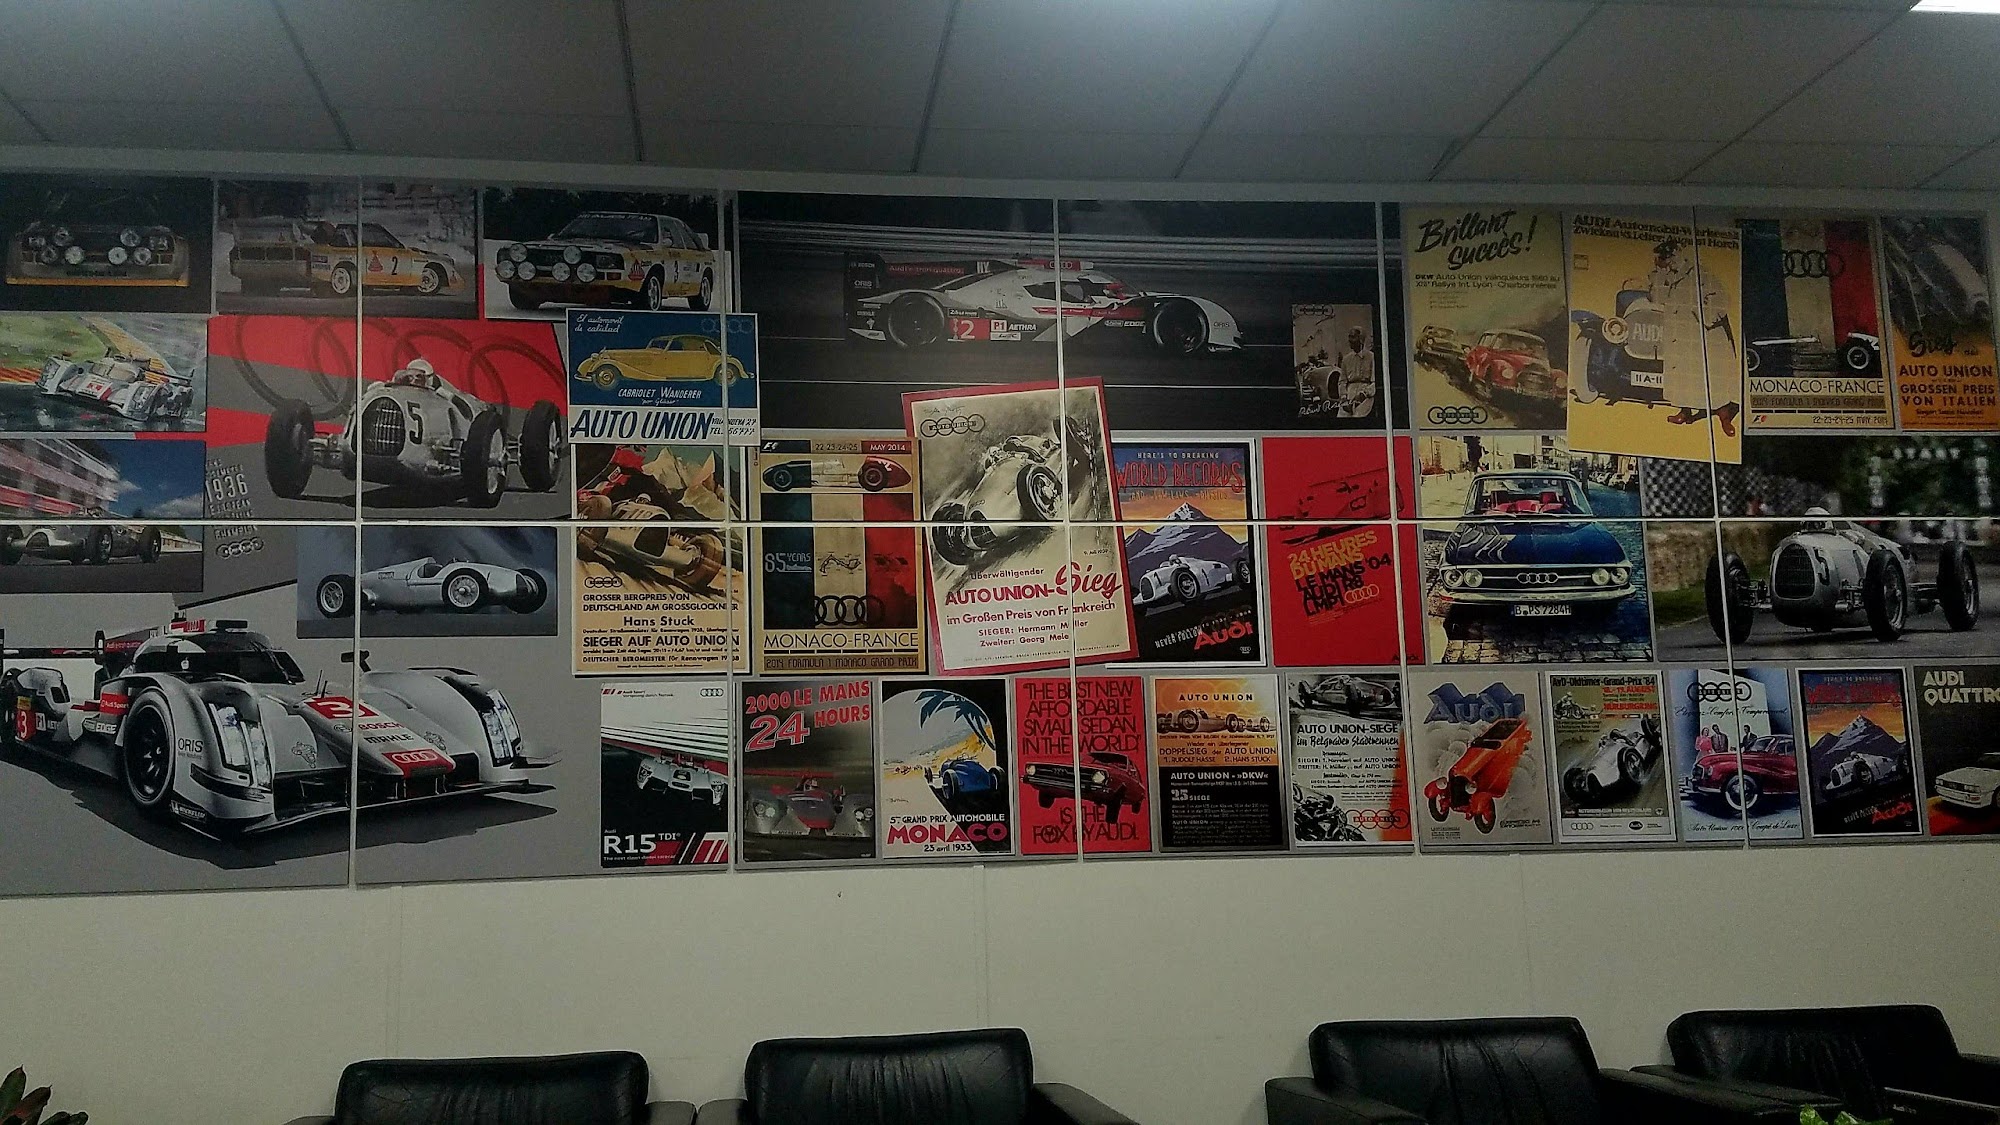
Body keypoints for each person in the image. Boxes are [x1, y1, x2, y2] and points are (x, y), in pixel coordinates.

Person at [1634, 239, 1742, 435]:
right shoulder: (1666, 275)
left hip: (1705, 335)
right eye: (1664, 259)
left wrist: (1701, 315)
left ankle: (1724, 417)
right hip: (1680, 336)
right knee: (1683, 376)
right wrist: (1658, 273)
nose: (1668, 262)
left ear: (1678, 254)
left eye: (1669, 258)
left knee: (1711, 379)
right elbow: (1657, 299)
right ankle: (1685, 411)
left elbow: (1721, 299)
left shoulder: (1700, 273)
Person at [1336, 326, 1377, 419]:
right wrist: (1343, 397)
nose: (1350, 340)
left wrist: (1364, 394)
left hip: (1366, 395)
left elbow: (1375, 382)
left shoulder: (1371, 357)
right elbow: (1342, 381)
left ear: (1361, 339)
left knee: (1358, 417)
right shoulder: (1346, 359)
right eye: (1349, 337)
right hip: (1349, 394)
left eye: (1353, 337)